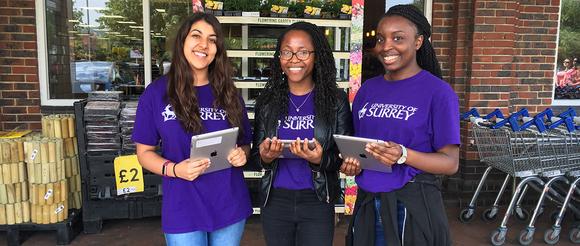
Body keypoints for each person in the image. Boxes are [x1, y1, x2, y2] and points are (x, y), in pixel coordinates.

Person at [341, 5, 459, 246]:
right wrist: (352, 164)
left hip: (411, 206)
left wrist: (403, 155)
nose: (386, 47)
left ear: (418, 42)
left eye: (398, 38)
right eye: (382, 39)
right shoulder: (367, 90)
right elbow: (359, 149)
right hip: (367, 203)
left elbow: (450, 163)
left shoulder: (438, 92)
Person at [132, 13, 252, 246]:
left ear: (217, 49)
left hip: (229, 203)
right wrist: (175, 169)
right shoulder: (156, 93)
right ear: (182, 42)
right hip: (182, 207)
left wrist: (242, 154)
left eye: (212, 39)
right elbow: (144, 153)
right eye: (196, 36)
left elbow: (245, 142)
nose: (204, 45)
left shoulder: (229, 93)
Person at [250, 21, 353, 246]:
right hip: (275, 201)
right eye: (287, 52)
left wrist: (319, 160)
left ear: (317, 56)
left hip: (317, 200)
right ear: (279, 57)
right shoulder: (267, 102)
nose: (294, 59)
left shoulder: (335, 101)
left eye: (303, 52)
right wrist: (266, 157)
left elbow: (345, 157)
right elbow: (256, 158)